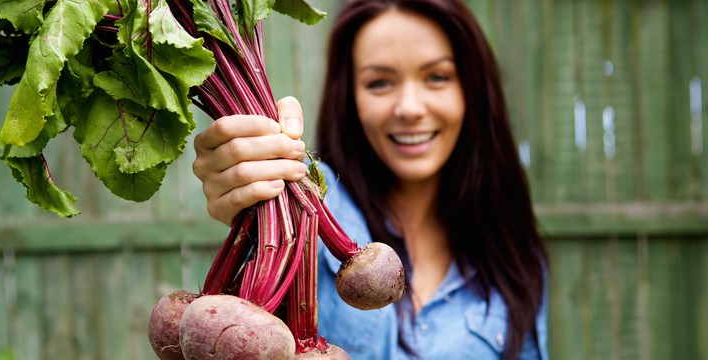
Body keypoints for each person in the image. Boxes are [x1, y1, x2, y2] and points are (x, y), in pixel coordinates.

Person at [192, 0, 549, 358]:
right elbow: (267, 193)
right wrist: (251, 181)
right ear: (350, 98)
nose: (409, 107)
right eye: (379, 82)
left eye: (437, 77)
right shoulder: (306, 200)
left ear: (471, 89)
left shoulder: (514, 256)